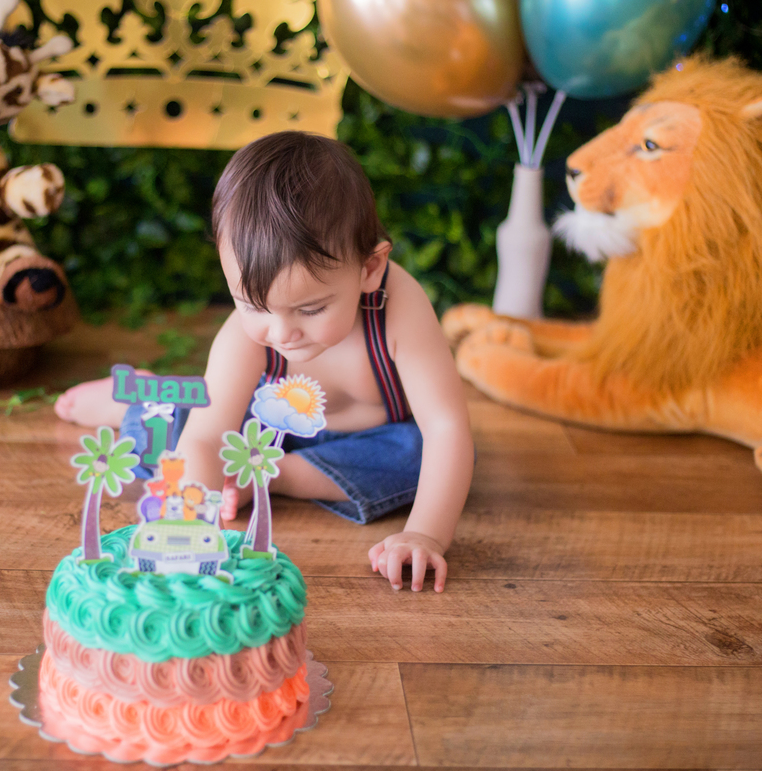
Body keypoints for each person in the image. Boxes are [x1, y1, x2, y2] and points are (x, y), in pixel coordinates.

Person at [55, 131, 474, 593]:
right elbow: (209, 435)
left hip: (365, 442)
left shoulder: (398, 309)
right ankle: (138, 398)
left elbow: (445, 426)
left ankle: (268, 476)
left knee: (418, 455)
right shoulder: (245, 335)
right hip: (256, 431)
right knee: (172, 431)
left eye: (310, 309)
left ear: (369, 269)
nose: (280, 333)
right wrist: (190, 530)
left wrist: (424, 533)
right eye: (253, 305)